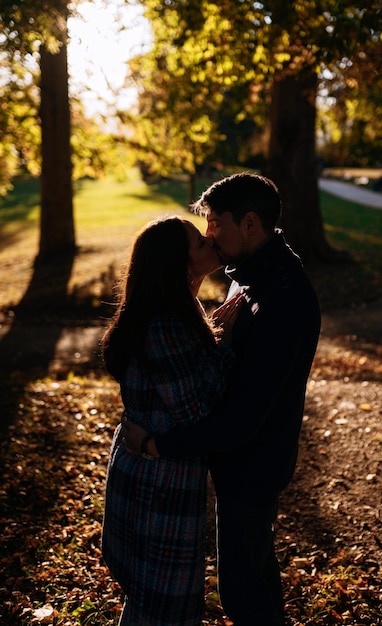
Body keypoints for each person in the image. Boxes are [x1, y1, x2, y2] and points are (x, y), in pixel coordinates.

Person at [121, 172, 322, 626]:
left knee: (241, 594)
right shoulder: (247, 278)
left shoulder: (284, 298)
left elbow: (242, 417)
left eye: (215, 222)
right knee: (258, 577)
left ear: (249, 223)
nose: (209, 233)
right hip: (234, 462)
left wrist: (155, 446)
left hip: (254, 466)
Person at [101, 215, 242, 626]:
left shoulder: (179, 306)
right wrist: (229, 338)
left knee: (151, 601)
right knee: (161, 606)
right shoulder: (164, 322)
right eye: (200, 242)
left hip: (153, 473)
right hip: (158, 484)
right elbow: (198, 408)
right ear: (179, 263)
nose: (210, 241)